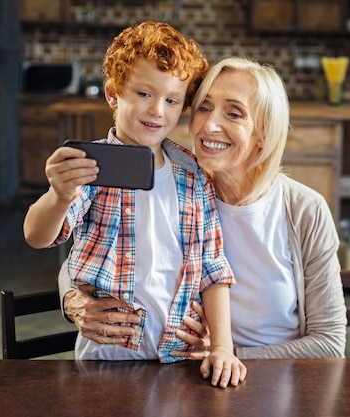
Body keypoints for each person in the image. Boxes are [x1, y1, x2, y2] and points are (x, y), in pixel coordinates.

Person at [59, 56, 347, 359]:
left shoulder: (304, 210)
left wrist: (227, 354)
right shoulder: (184, 190)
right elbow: (94, 249)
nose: (209, 125)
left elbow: (329, 344)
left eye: (234, 114)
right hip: (188, 380)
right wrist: (70, 300)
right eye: (204, 108)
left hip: (271, 384)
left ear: (263, 132)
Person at [23, 22, 246, 388]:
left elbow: (212, 266)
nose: (157, 111)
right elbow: (38, 236)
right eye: (143, 93)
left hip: (178, 356)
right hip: (107, 359)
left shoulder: (193, 174)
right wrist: (59, 194)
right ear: (114, 94)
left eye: (172, 100)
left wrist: (223, 345)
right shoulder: (91, 166)